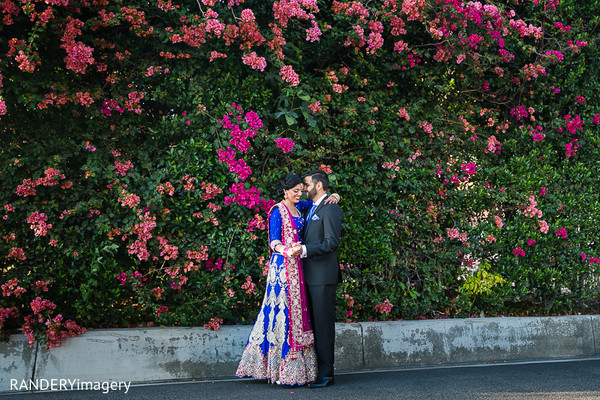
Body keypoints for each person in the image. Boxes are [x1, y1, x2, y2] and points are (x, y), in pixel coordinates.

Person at [235, 172, 339, 386]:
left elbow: (322, 211)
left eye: (302, 189)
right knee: (283, 315)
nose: (300, 193)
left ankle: (310, 371)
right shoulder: (277, 211)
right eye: (296, 190)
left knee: (301, 319)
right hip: (284, 267)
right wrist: (286, 250)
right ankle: (278, 366)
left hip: (302, 268)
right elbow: (273, 241)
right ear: (285, 191)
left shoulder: (302, 207)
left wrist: (334, 195)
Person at [300, 169, 343, 388]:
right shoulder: (312, 207)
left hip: (323, 277)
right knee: (315, 326)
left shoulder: (330, 208)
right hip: (310, 276)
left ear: (318, 185)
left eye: (306, 184)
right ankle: (317, 371)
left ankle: (326, 375)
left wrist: (304, 250)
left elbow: (331, 243)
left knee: (324, 327)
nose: (303, 188)